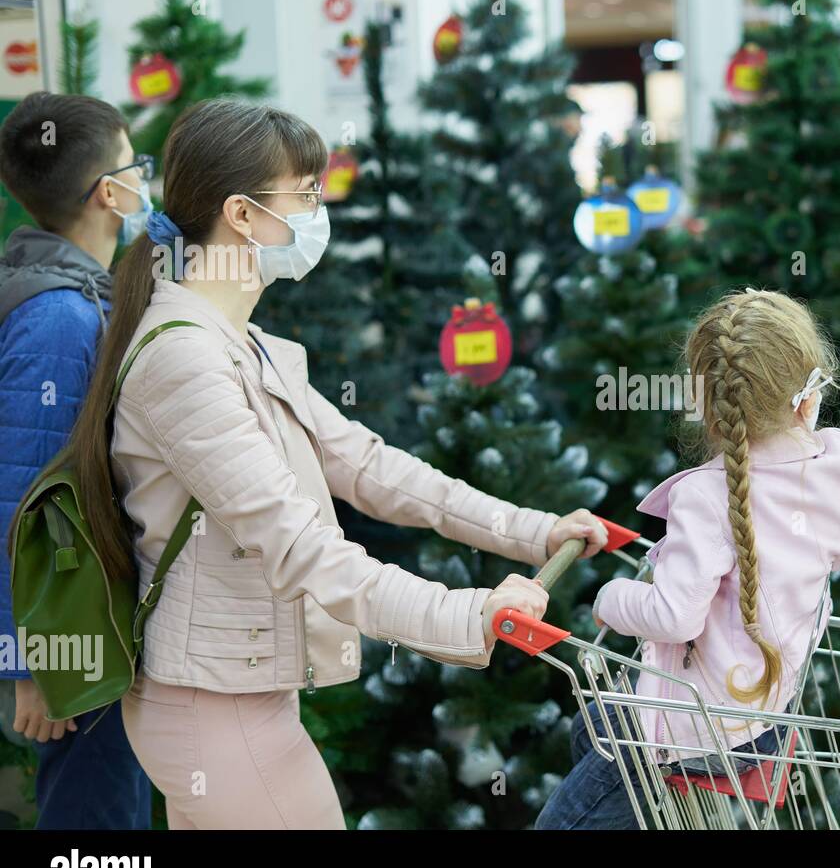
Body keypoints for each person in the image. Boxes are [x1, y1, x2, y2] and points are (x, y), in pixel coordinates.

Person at [43, 97, 607, 829]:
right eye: (305, 194)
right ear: (242, 215)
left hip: (234, 700)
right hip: (216, 713)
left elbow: (374, 469)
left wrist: (533, 531)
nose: (319, 212)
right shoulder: (183, 358)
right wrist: (468, 612)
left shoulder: (245, 344)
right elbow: (299, 545)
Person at [536, 288, 840, 829]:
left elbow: (675, 616)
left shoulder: (706, 495)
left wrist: (609, 600)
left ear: (707, 407)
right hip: (760, 723)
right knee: (594, 725)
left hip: (683, 731)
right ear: (808, 396)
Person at [0, 92, 154, 829]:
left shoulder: (79, 296)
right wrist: (29, 666)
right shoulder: (59, 317)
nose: (143, 180)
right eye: (135, 166)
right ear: (108, 192)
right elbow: (21, 497)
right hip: (72, 627)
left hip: (88, 615)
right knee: (95, 822)